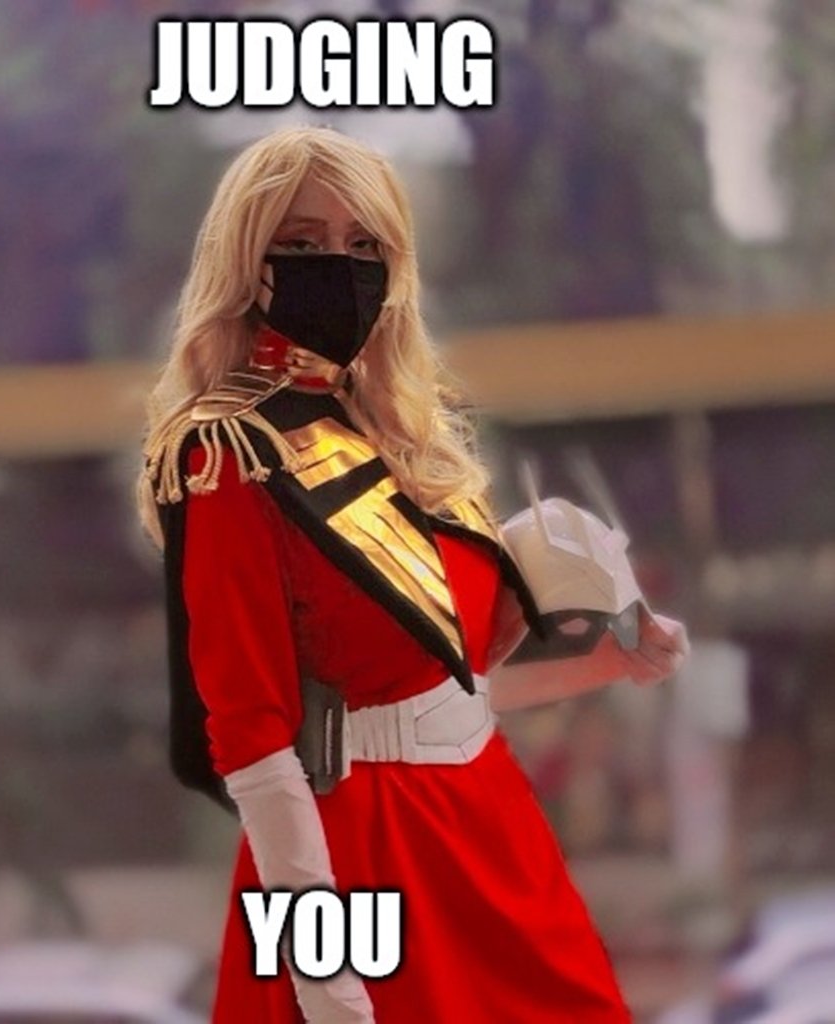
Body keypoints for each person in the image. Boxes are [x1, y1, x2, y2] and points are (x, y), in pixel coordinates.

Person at [136, 126, 688, 1024]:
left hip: (489, 826)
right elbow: (250, 735)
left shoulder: (391, 427)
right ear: (247, 261)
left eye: (365, 244)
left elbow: (446, 695)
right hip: (361, 851)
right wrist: (324, 974)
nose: (340, 264)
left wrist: (608, 652)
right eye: (302, 243)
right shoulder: (229, 450)